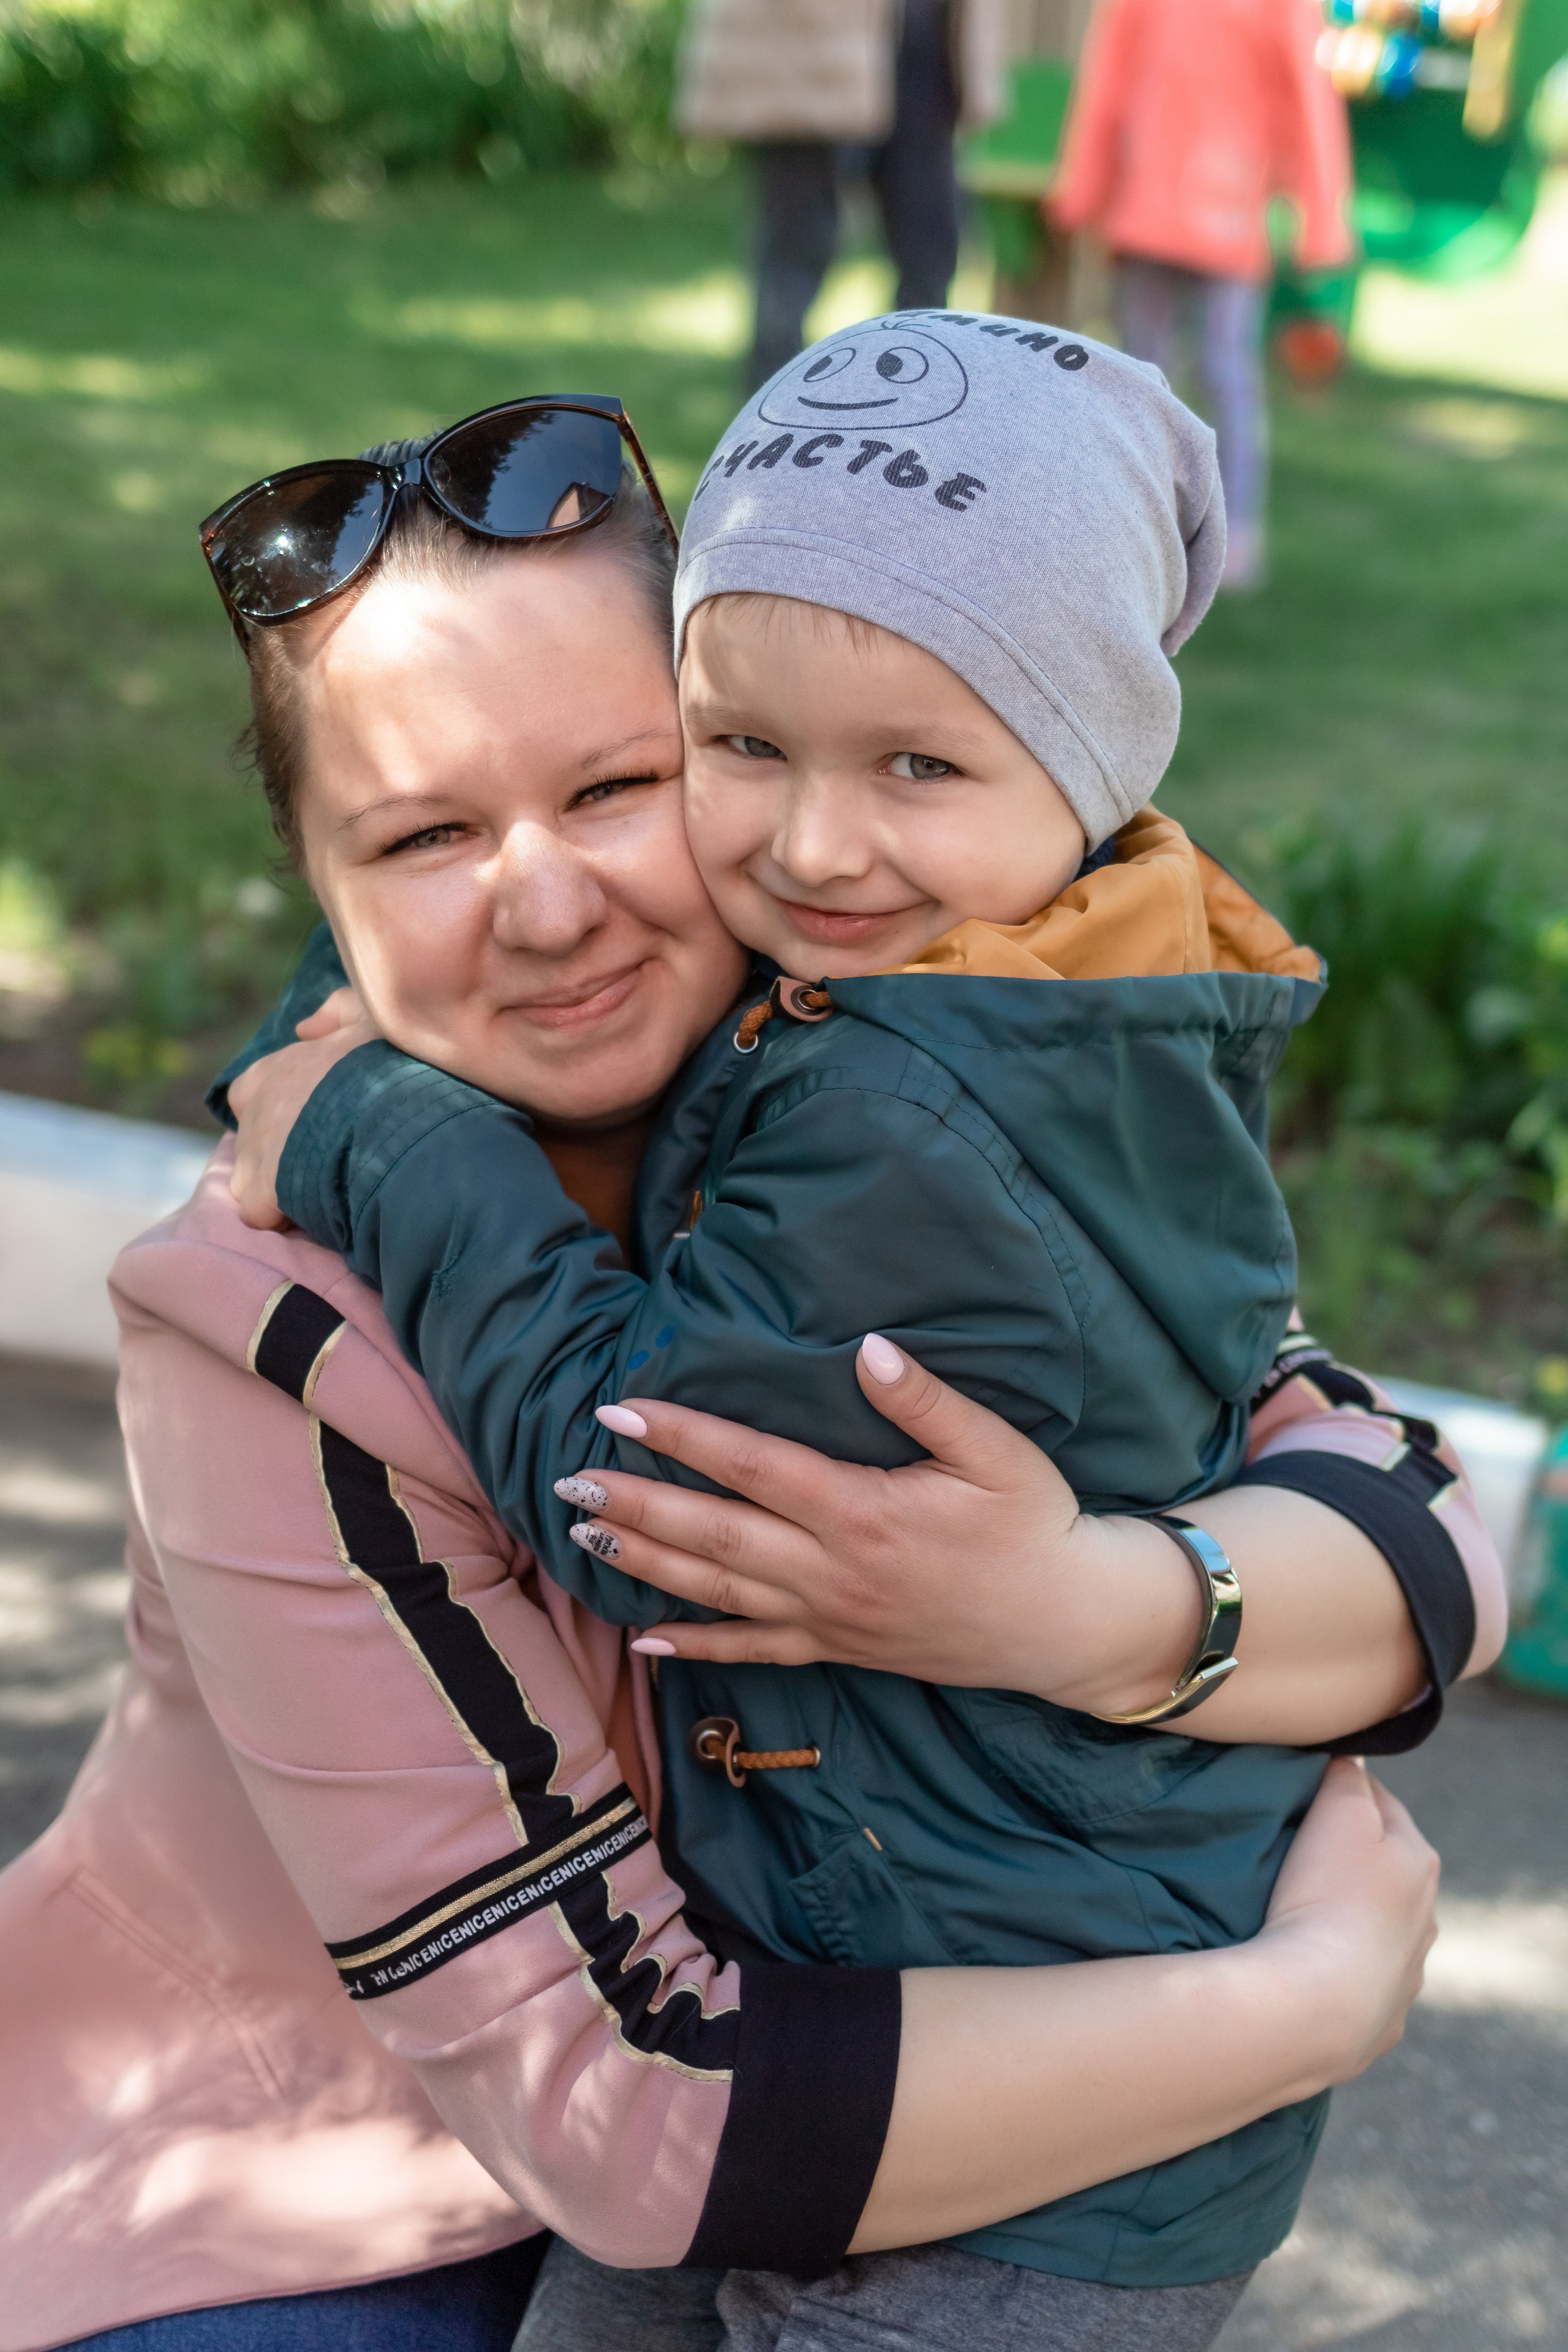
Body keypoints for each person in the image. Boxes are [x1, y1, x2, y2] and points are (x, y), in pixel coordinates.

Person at [0, 399, 1452, 2352]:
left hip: (800, 2093)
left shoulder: (855, 1076)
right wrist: (1298, 2007)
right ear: (318, 883)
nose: (546, 905)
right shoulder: (263, 1326)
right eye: (424, 834)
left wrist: (1082, 1604)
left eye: (616, 785)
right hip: (323, 2192)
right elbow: (622, 2119)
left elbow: (1394, 1492)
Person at [1049, 0, 1354, 586]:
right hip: (1162, 205)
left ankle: (1230, 534)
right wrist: (1084, 187)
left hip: (1222, 207)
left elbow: (1308, 95)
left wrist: (1320, 222)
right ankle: (1135, 526)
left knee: (1217, 372)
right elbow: (1109, 78)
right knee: (1144, 378)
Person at [675, 0, 1006, 390]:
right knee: (793, 260)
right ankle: (768, 409)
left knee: (931, 258)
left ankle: (919, 402)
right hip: (814, 59)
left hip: (927, 55)